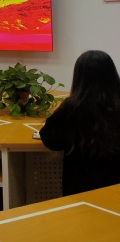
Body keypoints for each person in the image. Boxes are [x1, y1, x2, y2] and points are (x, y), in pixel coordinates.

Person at [40, 50, 120, 196]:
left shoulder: (72, 106)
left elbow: (50, 140)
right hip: (115, 190)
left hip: (79, 191)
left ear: (79, 76)